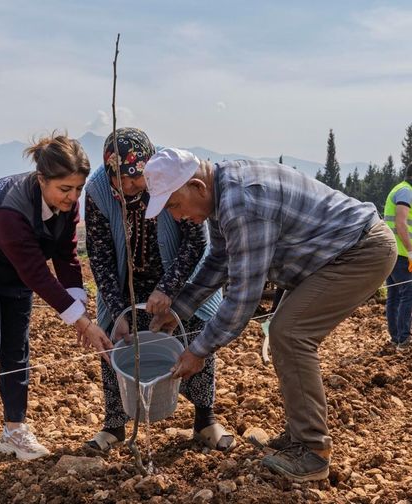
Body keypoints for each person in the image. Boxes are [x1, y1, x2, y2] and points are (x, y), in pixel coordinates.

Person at [146, 148, 397, 482]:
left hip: (360, 251)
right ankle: (298, 439)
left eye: (174, 205)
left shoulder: (242, 204)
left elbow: (243, 297)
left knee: (289, 334)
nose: (176, 217)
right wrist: (178, 310)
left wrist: (198, 350)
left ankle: (313, 452)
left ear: (197, 186)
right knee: (285, 332)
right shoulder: (222, 193)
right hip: (332, 255)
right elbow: (219, 261)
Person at [0, 133, 112, 475]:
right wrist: (82, 323)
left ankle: (14, 431)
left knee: (16, 348)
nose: (73, 197)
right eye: (65, 189)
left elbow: (66, 255)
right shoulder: (9, 207)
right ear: (42, 179)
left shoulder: (67, 206)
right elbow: (35, 273)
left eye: (78, 188)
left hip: (14, 272)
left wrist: (80, 308)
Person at [83, 129, 233, 452]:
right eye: (121, 182)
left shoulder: (168, 173)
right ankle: (114, 426)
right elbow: (100, 255)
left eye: (137, 182)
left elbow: (198, 241)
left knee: (194, 329)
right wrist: (115, 306)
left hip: (178, 274)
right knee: (115, 339)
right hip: (124, 281)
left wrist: (167, 289)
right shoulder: (97, 191)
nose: (130, 189)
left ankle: (204, 419)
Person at [383, 160, 412, 350]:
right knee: (409, 293)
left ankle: (396, 340)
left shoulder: (400, 189)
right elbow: (401, 223)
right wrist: (411, 253)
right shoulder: (406, 192)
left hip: (391, 252)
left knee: (394, 294)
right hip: (400, 253)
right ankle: (404, 340)